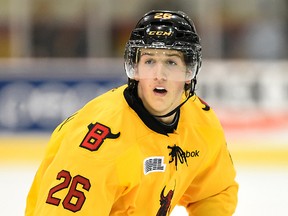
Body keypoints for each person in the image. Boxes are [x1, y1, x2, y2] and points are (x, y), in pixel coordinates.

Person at [25, 10, 238, 215]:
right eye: (149, 61)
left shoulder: (200, 121)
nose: (159, 75)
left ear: (189, 72)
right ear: (134, 68)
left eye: (171, 62)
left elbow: (215, 191)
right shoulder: (99, 146)